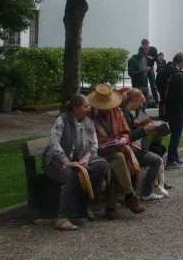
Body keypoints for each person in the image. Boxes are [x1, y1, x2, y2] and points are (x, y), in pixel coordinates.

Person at [42, 94, 109, 231]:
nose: (89, 108)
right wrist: (67, 162)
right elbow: (54, 144)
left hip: (79, 160)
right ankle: (62, 218)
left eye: (89, 106)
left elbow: (94, 143)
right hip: (56, 163)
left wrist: (85, 158)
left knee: (101, 166)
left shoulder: (88, 122)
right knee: (72, 175)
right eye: (86, 106)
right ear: (75, 108)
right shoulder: (62, 120)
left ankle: (89, 204)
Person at [88, 84, 146, 220]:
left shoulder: (117, 111)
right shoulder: (90, 115)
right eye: (104, 106)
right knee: (118, 158)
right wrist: (101, 145)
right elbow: (89, 138)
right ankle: (129, 196)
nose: (107, 109)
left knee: (115, 164)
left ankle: (110, 207)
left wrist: (123, 139)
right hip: (95, 151)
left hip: (115, 149)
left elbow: (126, 131)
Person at [119, 89, 165, 201]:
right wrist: (145, 129)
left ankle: (149, 187)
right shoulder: (125, 114)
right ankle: (147, 192)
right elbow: (128, 136)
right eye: (140, 103)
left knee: (156, 149)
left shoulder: (125, 112)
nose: (140, 106)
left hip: (127, 147)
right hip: (127, 150)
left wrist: (138, 125)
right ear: (134, 100)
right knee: (156, 160)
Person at [157, 52, 183, 170]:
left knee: (174, 133)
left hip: (166, 106)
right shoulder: (178, 75)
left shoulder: (161, 72)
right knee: (176, 134)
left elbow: (159, 87)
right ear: (181, 62)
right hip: (177, 108)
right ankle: (171, 159)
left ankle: (175, 157)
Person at [142, 38, 160, 107]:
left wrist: (152, 58)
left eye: (145, 45)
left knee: (153, 86)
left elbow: (157, 58)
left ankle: (157, 102)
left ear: (148, 44)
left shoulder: (153, 49)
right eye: (143, 46)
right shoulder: (142, 49)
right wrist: (146, 57)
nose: (145, 47)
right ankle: (145, 102)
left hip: (151, 69)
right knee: (145, 87)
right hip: (144, 70)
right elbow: (141, 57)